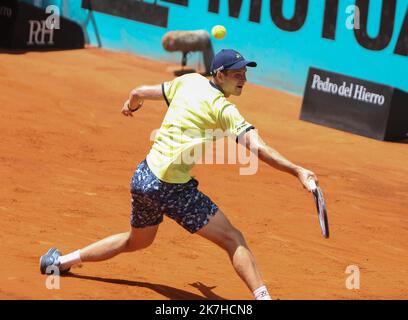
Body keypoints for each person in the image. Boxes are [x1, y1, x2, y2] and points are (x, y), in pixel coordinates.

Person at [40, 49, 318, 300]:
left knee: (136, 241)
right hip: (173, 190)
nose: (243, 79)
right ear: (220, 75)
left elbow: (138, 91)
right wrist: (297, 171)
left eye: (245, 74)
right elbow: (258, 147)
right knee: (233, 239)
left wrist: (132, 104)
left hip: (143, 178)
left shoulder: (189, 80)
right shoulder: (224, 109)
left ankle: (60, 262)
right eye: (237, 74)